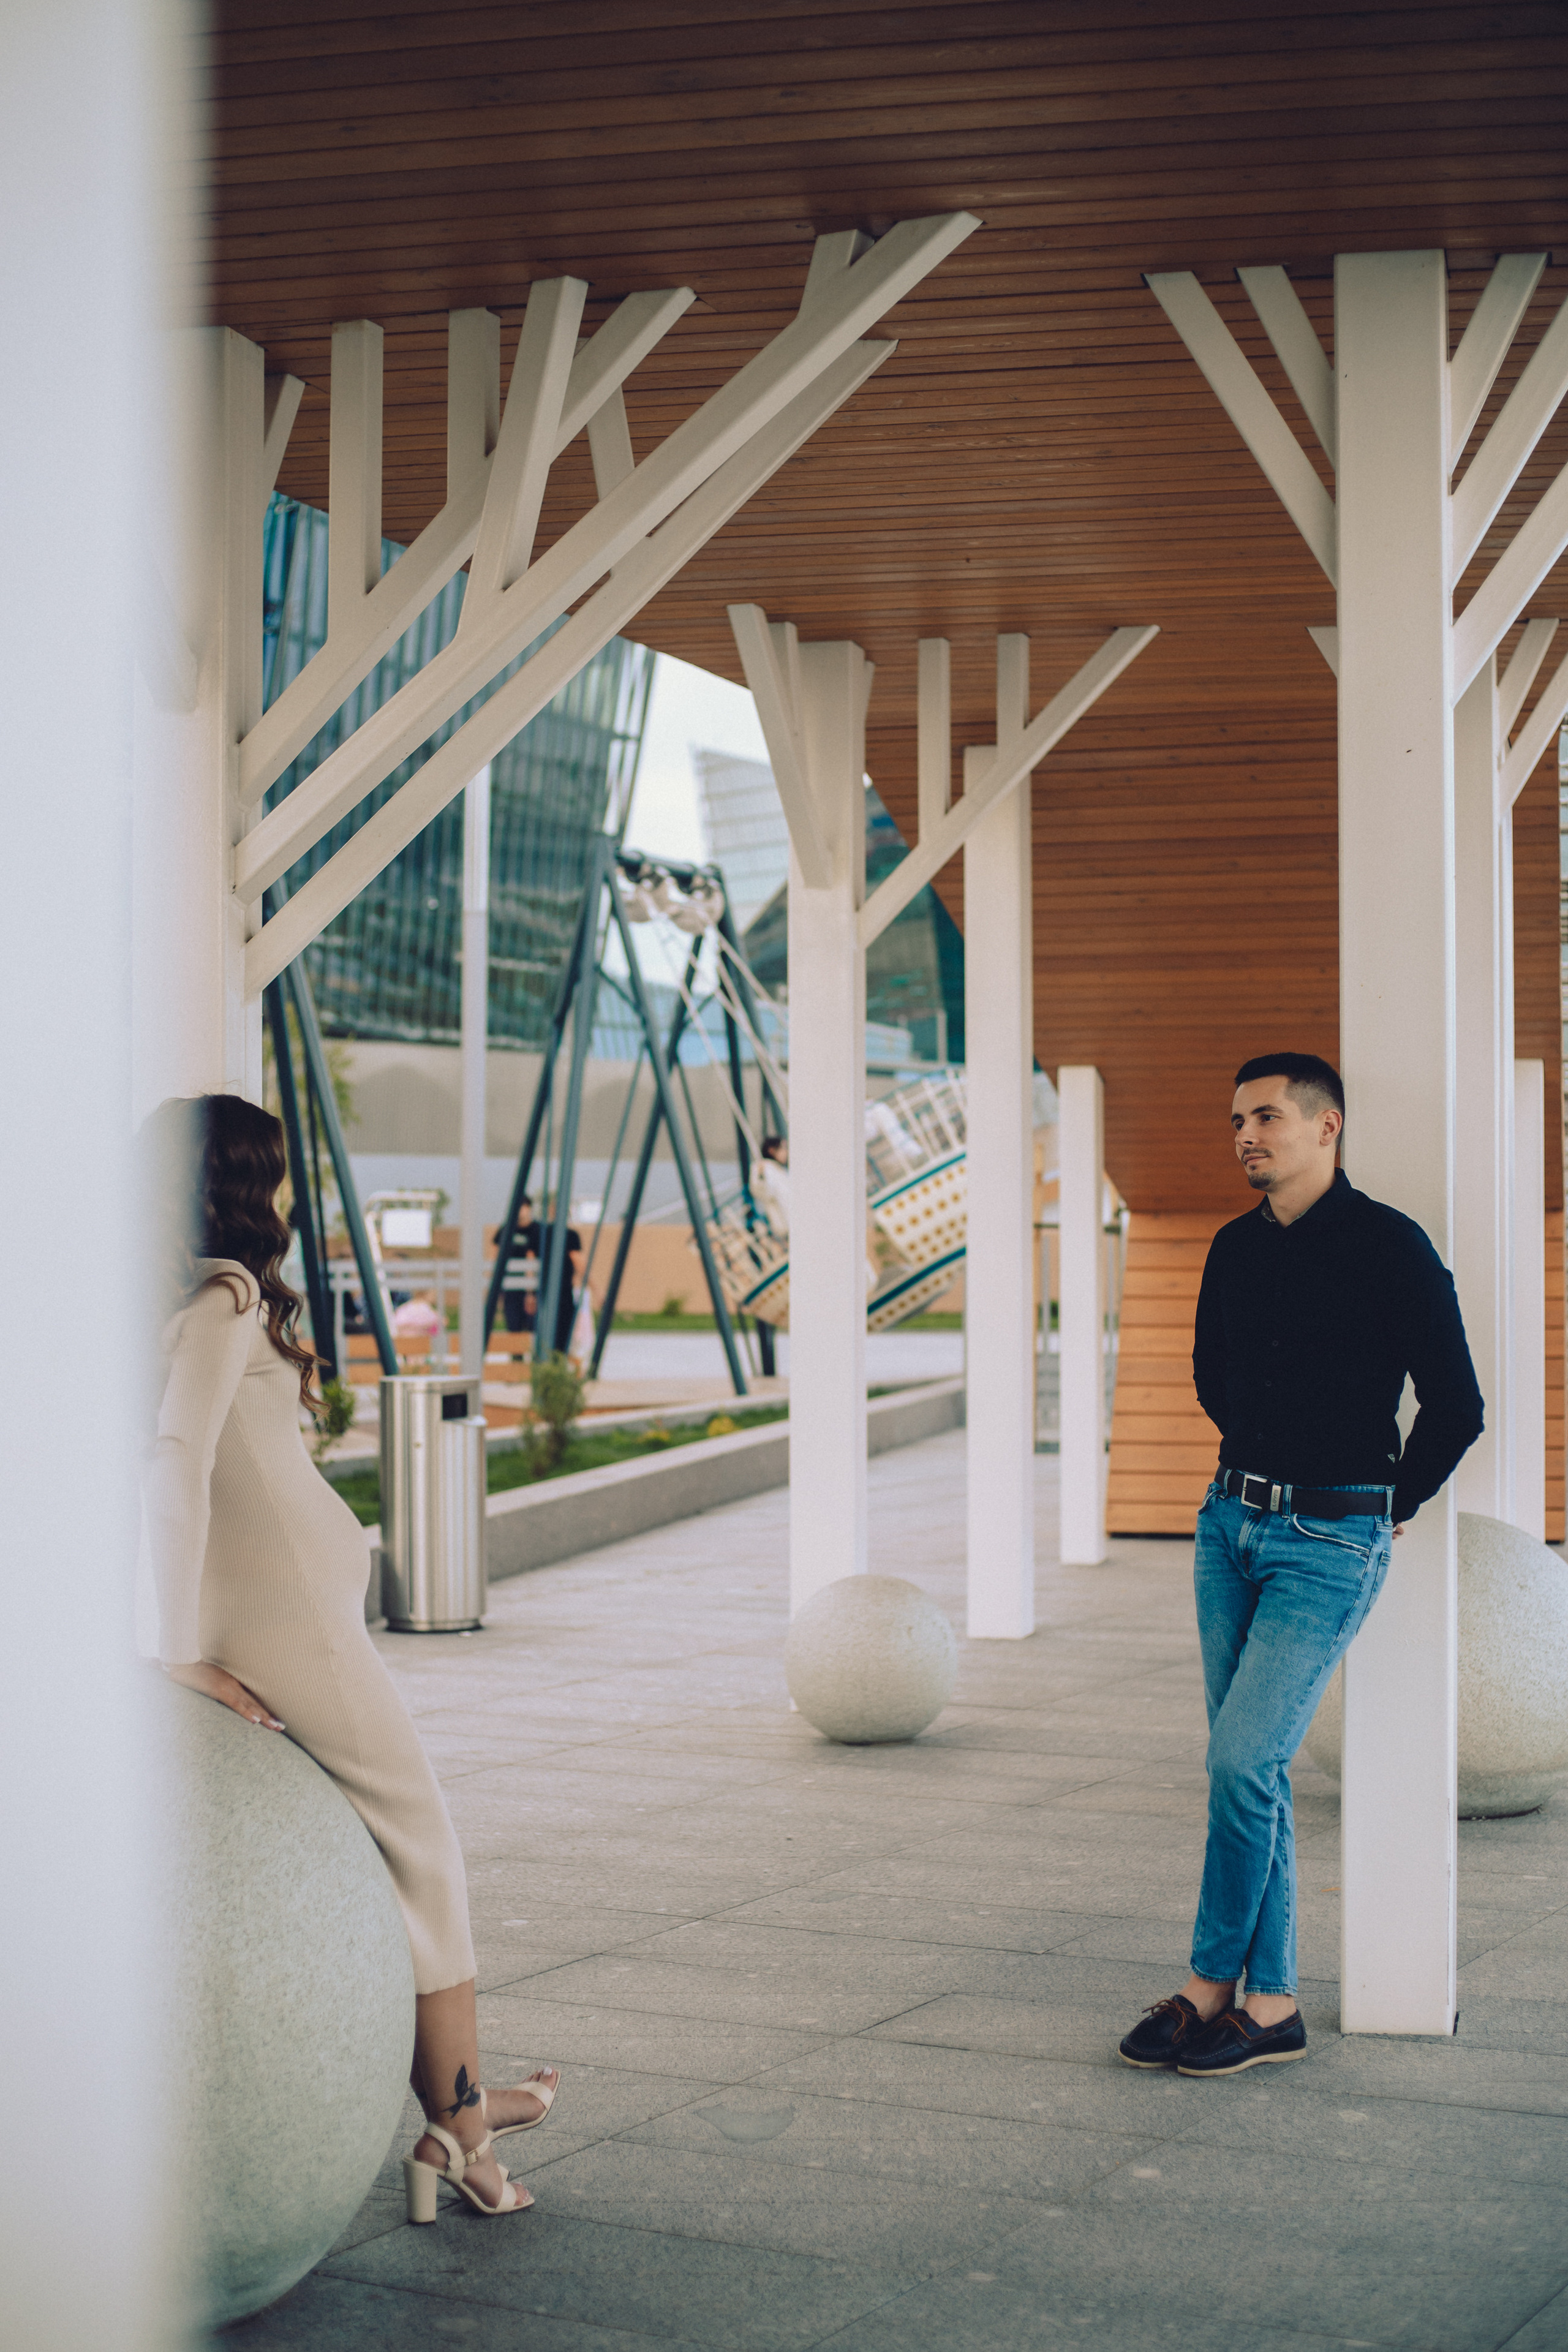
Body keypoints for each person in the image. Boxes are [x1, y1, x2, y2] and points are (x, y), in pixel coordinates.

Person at [140, 1095, 560, 2220]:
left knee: (403, 1841)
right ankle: (463, 2133)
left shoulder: (164, 1299)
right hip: (290, 1624)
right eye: (269, 1177)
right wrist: (174, 1650)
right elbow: (176, 1459)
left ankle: (456, 2114)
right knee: (425, 1844)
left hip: (284, 1609)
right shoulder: (227, 1294)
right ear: (245, 1186)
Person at [1118, 1054, 1483, 2079]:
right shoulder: (1234, 1249)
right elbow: (1208, 1373)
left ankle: (1207, 1987)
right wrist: (1265, 1456)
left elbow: (1458, 1407)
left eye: (1267, 1117)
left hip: (1332, 1540)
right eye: (1236, 1119)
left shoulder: (1391, 1247)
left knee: (1241, 1764)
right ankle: (1264, 2004)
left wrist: (1382, 1505)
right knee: (1254, 1773)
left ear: (1327, 1128)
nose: (1246, 1135)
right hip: (1227, 1527)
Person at [500, 1194, 582, 1357]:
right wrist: (530, 1291)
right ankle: (529, 1363)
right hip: (543, 1291)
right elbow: (531, 1263)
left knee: (555, 1331)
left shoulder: (559, 1234)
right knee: (526, 1328)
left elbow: (578, 1263)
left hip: (561, 1291)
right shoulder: (542, 1234)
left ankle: (554, 1364)